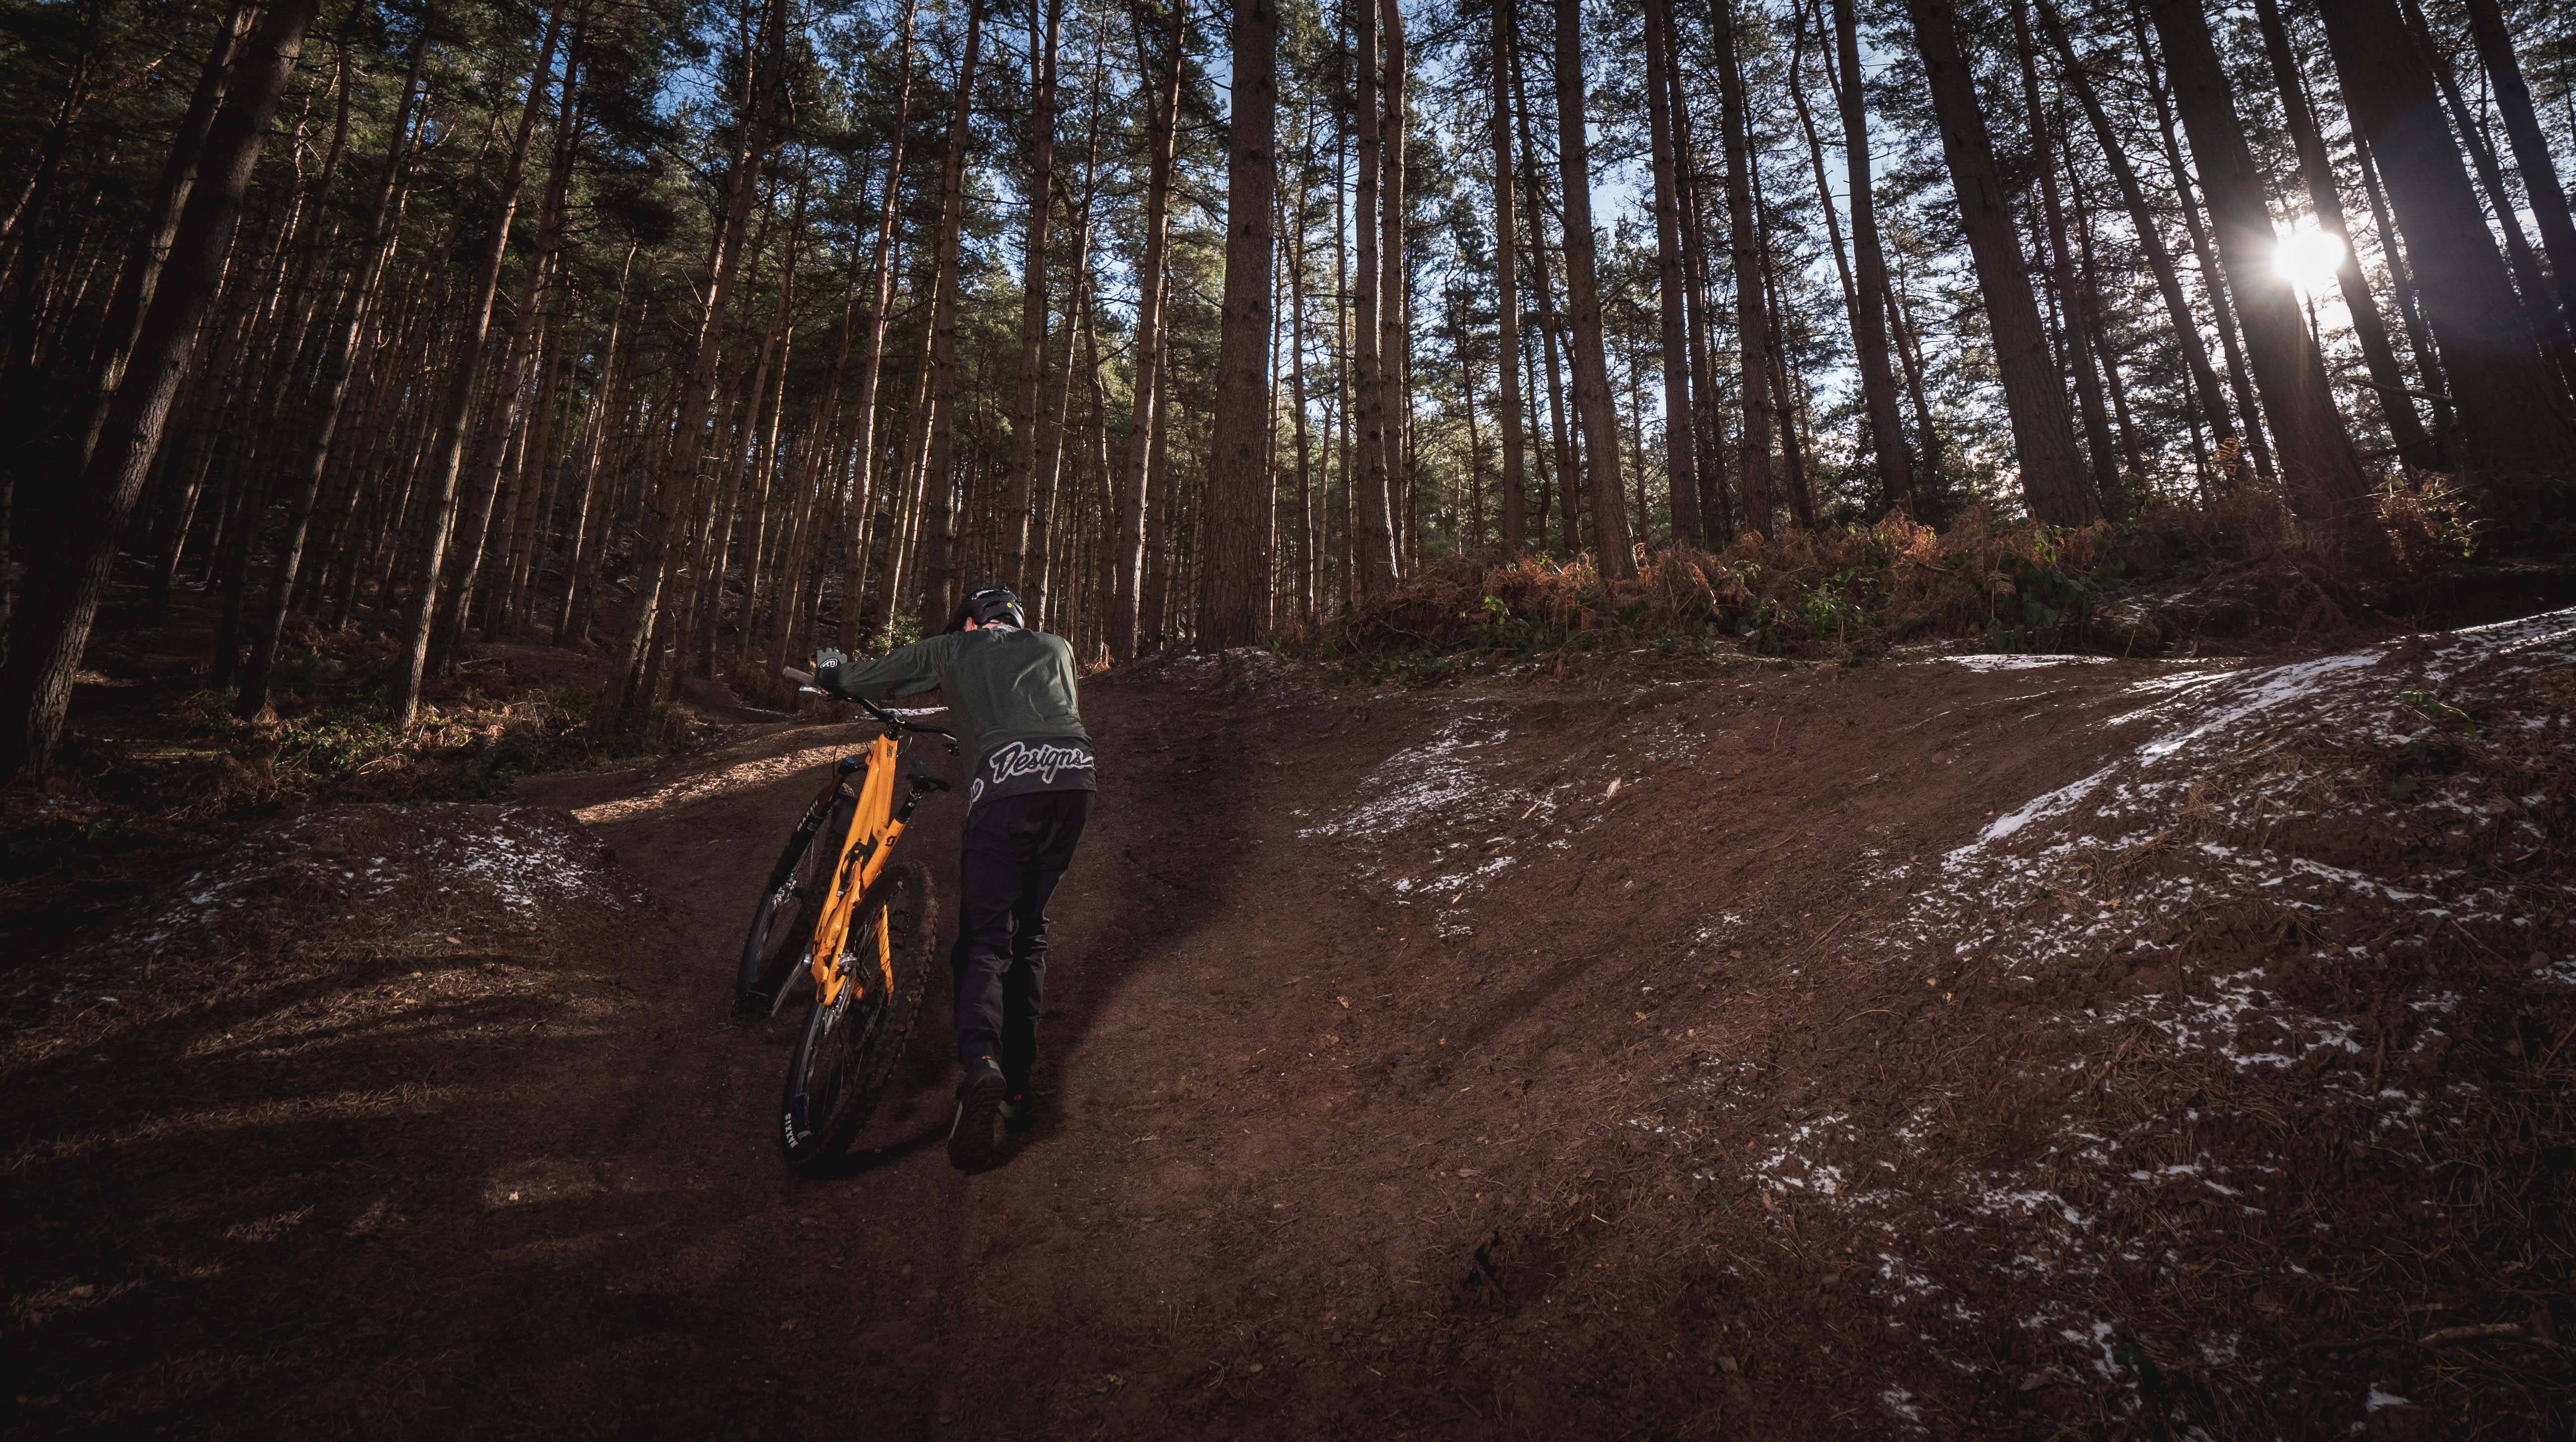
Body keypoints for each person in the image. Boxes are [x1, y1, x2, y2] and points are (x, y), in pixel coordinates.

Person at [814, 585, 1095, 1169]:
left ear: (971, 622)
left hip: (1007, 787)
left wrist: (835, 673)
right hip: (1074, 781)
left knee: (987, 941)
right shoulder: (1058, 647)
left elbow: (885, 675)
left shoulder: (955, 648)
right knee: (1029, 931)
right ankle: (1019, 1089)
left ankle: (982, 1066)